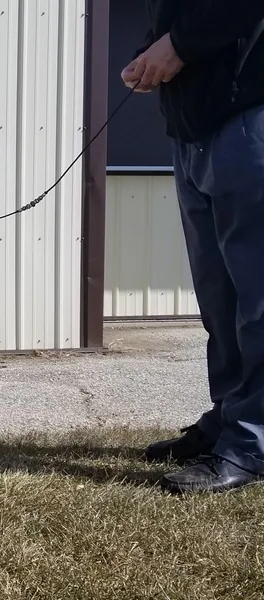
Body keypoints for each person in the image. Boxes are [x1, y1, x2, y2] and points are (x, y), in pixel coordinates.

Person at [121, 1, 264, 494]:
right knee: (219, 298)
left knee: (258, 299)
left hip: (249, 118)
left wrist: (178, 46)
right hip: (193, 130)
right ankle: (230, 418)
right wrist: (150, 54)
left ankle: (252, 443)